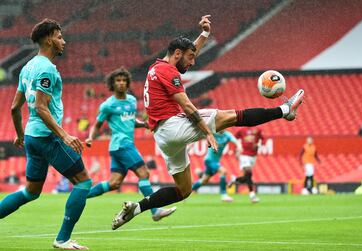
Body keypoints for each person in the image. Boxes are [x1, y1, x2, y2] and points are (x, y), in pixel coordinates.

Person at [111, 15, 305, 230]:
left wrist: (204, 35)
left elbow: (188, 51)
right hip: (173, 126)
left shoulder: (157, 67)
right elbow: (186, 105)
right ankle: (284, 110)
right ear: (177, 54)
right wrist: (208, 132)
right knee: (231, 116)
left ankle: (135, 208)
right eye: (190, 58)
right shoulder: (167, 72)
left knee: (183, 190)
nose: (193, 61)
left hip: (163, 137)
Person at [1, 19, 91, 250]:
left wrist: (20, 135)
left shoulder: (27, 67)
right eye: (60, 37)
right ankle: (62, 239)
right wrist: (64, 136)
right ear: (50, 38)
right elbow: (41, 107)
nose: (63, 41)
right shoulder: (46, 69)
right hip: (46, 137)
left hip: (31, 137)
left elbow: (14, 108)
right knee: (83, 182)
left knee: (31, 192)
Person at [85, 67, 176, 222]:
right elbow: (97, 124)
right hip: (122, 145)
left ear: (127, 83)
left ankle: (81, 195)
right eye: (118, 81)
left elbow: (130, 121)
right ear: (112, 84)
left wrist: (143, 124)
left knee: (114, 183)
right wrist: (90, 138)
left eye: (124, 80)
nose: (121, 83)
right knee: (144, 174)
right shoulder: (108, 105)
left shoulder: (132, 101)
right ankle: (154, 211)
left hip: (120, 147)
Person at [192, 130, 242, 202]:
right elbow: (199, 136)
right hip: (209, 160)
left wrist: (239, 148)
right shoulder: (213, 133)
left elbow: (237, 142)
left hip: (215, 161)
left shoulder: (227, 135)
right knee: (223, 171)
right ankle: (224, 195)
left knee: (204, 181)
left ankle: (186, 193)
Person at [228, 127, 264, 203]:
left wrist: (258, 145)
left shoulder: (258, 129)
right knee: (249, 171)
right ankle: (252, 196)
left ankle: (235, 180)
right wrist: (236, 150)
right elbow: (234, 139)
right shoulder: (242, 130)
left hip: (253, 156)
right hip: (244, 154)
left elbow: (263, 139)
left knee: (247, 176)